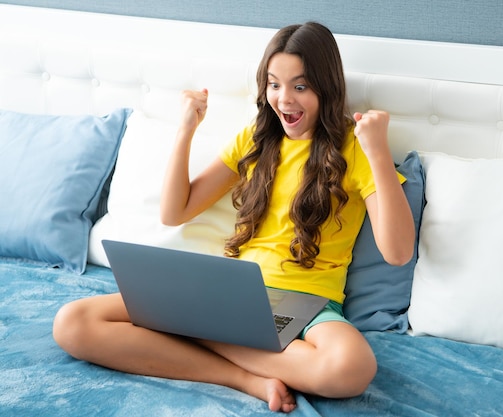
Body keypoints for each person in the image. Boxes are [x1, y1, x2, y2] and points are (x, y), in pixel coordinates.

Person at [53, 22, 415, 413]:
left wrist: (377, 151)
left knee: (351, 368)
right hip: (232, 295)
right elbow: (175, 211)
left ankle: (192, 333)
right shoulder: (257, 140)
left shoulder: (354, 147)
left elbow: (396, 253)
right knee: (73, 322)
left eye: (300, 86)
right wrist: (186, 130)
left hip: (309, 302)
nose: (284, 100)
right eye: (274, 84)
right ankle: (243, 378)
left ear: (326, 87)